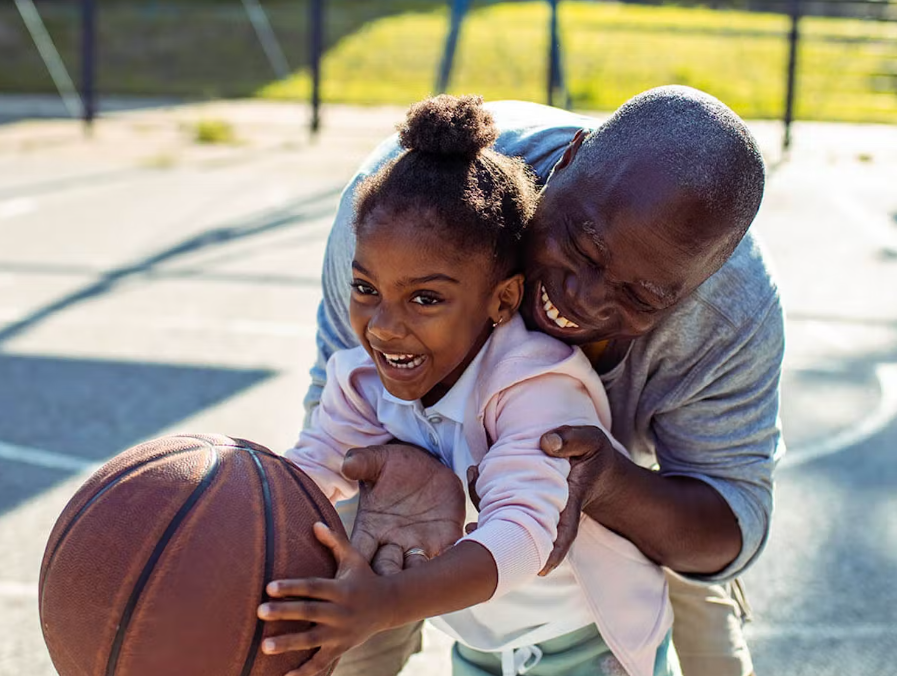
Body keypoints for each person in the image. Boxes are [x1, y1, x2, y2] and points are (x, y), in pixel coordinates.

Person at [299, 85, 783, 676]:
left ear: (693, 288)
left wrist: (608, 483)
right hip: (478, 558)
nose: (578, 299)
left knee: (700, 638)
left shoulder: (727, 315)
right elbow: (331, 435)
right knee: (333, 637)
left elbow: (731, 516)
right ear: (570, 159)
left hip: (621, 522)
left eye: (638, 296)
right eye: (581, 248)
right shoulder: (396, 220)